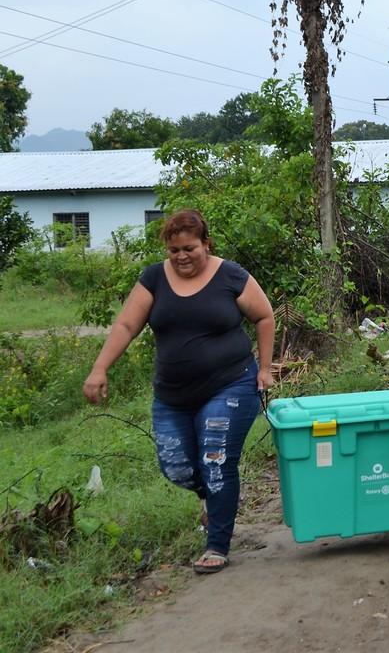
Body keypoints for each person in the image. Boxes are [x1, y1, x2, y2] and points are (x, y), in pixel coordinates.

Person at [82, 209, 275, 575]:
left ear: (206, 243)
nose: (182, 256)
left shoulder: (231, 276)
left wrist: (264, 369)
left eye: (190, 248)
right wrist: (99, 367)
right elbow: (126, 324)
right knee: (176, 467)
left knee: (216, 462)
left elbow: (265, 317)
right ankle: (213, 497)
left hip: (231, 383)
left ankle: (217, 544)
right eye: (174, 250)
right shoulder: (154, 279)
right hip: (173, 395)